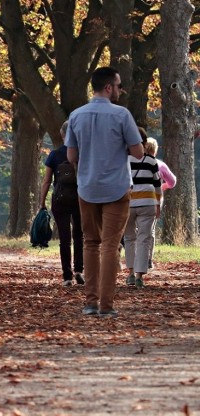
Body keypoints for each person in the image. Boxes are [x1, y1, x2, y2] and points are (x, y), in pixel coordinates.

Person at [65, 66, 144, 318]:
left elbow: (71, 156)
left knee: (90, 242)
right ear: (109, 87)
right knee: (110, 245)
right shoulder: (122, 115)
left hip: (86, 187)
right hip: (116, 187)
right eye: (119, 86)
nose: (121, 90)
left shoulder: (76, 116)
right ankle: (106, 305)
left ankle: (90, 302)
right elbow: (139, 152)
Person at [39, 121, 84, 287]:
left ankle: (67, 276)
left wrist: (42, 202)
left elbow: (46, 181)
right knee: (79, 235)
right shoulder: (82, 153)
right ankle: (79, 269)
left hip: (60, 198)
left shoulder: (54, 155)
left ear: (63, 134)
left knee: (64, 238)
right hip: (80, 197)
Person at [124, 137, 161, 289]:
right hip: (148, 202)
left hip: (128, 203)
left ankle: (131, 273)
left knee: (129, 238)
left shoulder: (125, 160)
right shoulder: (152, 161)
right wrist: (158, 204)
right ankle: (140, 276)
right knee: (144, 239)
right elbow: (157, 185)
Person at [144, 137, 176, 269]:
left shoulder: (135, 163)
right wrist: (163, 187)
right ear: (155, 150)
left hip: (136, 199)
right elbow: (172, 181)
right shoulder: (160, 165)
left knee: (136, 230)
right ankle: (148, 259)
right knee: (150, 229)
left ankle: (136, 258)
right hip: (155, 199)